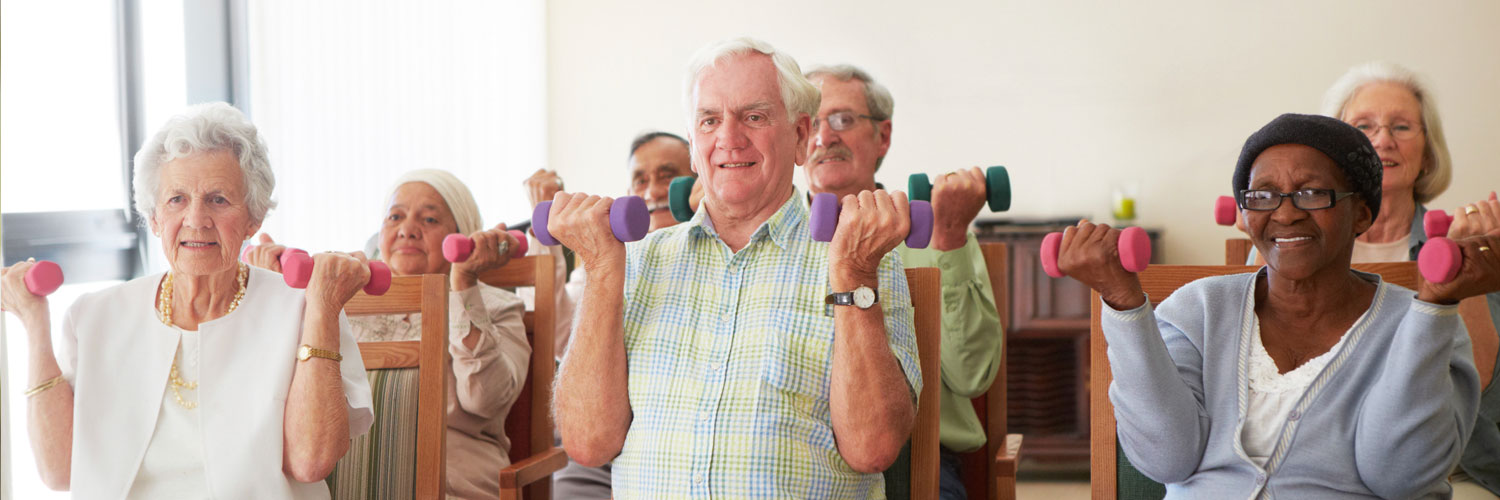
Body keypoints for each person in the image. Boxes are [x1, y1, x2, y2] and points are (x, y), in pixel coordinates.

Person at [550, 38, 922, 498]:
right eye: (709, 121)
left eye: (754, 116)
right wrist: (602, 271)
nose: (729, 138)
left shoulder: (861, 262)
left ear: (802, 137)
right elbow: (588, 443)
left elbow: (874, 448)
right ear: (693, 146)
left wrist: (853, 276)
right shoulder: (636, 264)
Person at [1073, 113, 1495, 498]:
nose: (1285, 214)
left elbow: (1400, 476)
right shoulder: (1196, 310)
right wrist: (1125, 302)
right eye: (1262, 195)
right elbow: (1165, 459)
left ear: (1361, 214)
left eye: (1312, 193)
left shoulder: (1420, 324)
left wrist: (1436, 306)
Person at [0, 102, 373, 498]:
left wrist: (322, 309)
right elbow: (60, 472)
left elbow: (309, 460)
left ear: (254, 218)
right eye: (177, 199)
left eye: (218, 199)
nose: (196, 219)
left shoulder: (303, 308)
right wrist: (33, 320)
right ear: (154, 216)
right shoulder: (93, 317)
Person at [1245, 62, 1500, 496]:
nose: (1383, 139)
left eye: (1401, 127)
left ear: (1427, 154)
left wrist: (1460, 281)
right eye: (1364, 126)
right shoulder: (1285, 241)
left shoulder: (1461, 242)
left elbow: (1476, 376)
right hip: (1308, 455)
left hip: (1442, 464)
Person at [246, 169, 530, 499]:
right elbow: (277, 400)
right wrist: (266, 295)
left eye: (429, 220)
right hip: (340, 480)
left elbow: (485, 399)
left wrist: (463, 285)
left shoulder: (498, 306)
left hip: (454, 486)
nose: (407, 230)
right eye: (395, 216)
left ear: (460, 234)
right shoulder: (338, 299)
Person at [803, 64, 1003, 500]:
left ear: (883, 136)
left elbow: (972, 377)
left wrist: (949, 239)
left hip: (916, 459)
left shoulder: (933, 232)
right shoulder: (765, 240)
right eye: (811, 122)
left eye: (842, 119)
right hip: (793, 454)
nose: (824, 137)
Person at [523, 131, 696, 499]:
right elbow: (559, 333)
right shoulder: (607, 257)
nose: (652, 191)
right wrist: (550, 229)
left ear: (694, 183)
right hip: (599, 444)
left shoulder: (723, 250)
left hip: (673, 443)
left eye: (667, 176)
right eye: (641, 180)